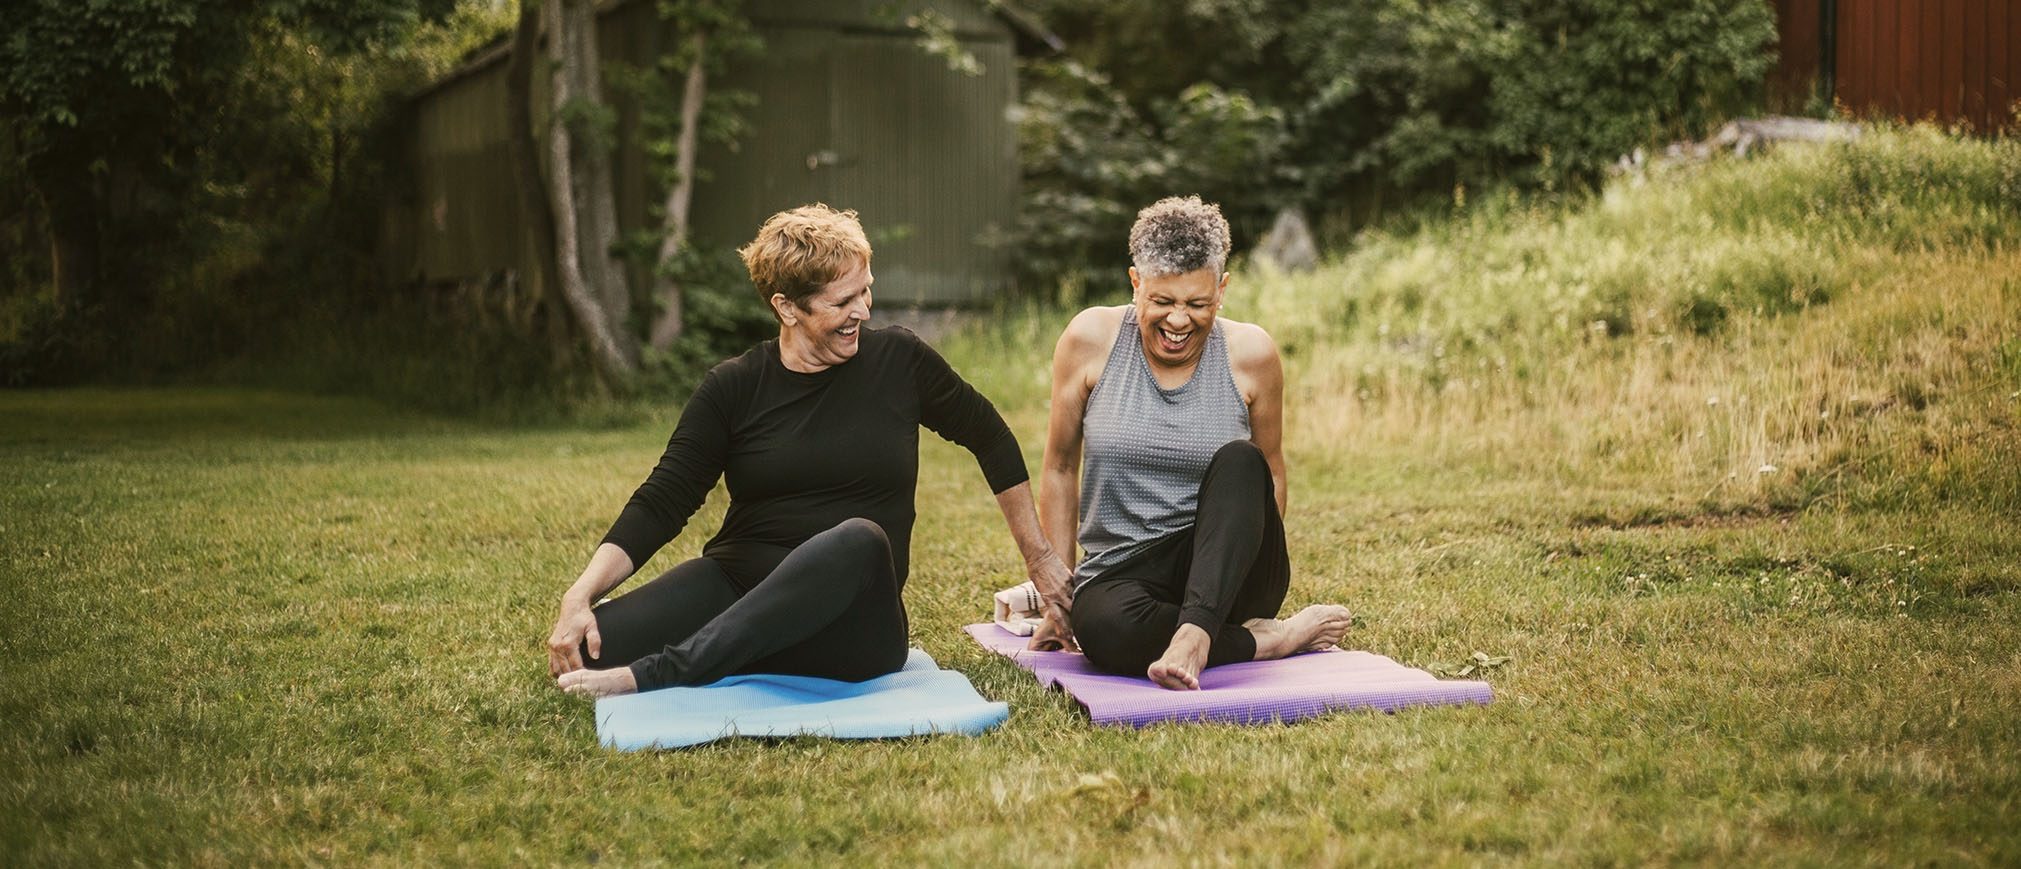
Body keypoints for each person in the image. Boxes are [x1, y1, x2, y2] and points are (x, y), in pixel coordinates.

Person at [548, 204, 1074, 698]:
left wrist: (1040, 557)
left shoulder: (899, 360)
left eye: (865, 292)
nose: (862, 312)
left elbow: (990, 436)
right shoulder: (734, 387)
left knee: (859, 539)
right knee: (590, 650)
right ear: (786, 307)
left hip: (852, 620)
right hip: (740, 583)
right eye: (842, 302)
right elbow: (663, 500)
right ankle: (739, 648)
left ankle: (667, 671)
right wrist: (581, 595)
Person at [1035, 195, 1352, 690]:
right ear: (1135, 283)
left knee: (1243, 462)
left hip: (1224, 569)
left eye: (1197, 304)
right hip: (1124, 572)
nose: (1178, 321)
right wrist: (1057, 598)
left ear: (1221, 290)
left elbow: (1269, 478)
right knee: (1100, 629)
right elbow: (1058, 467)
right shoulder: (1089, 340)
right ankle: (1268, 641)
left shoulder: (1252, 354)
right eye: (1162, 302)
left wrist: (1230, 574)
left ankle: (1198, 632)